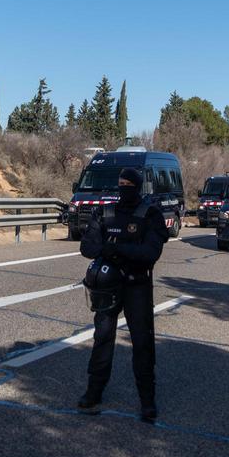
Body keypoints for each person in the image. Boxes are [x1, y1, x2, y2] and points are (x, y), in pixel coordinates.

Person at [77, 167, 168, 422]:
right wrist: (120, 250)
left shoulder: (150, 214)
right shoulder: (105, 212)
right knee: (102, 338)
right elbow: (88, 246)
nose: (123, 186)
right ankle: (93, 392)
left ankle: (147, 401)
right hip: (107, 285)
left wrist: (113, 249)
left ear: (137, 186)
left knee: (142, 342)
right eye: (120, 182)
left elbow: (150, 253)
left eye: (129, 183)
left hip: (137, 286)